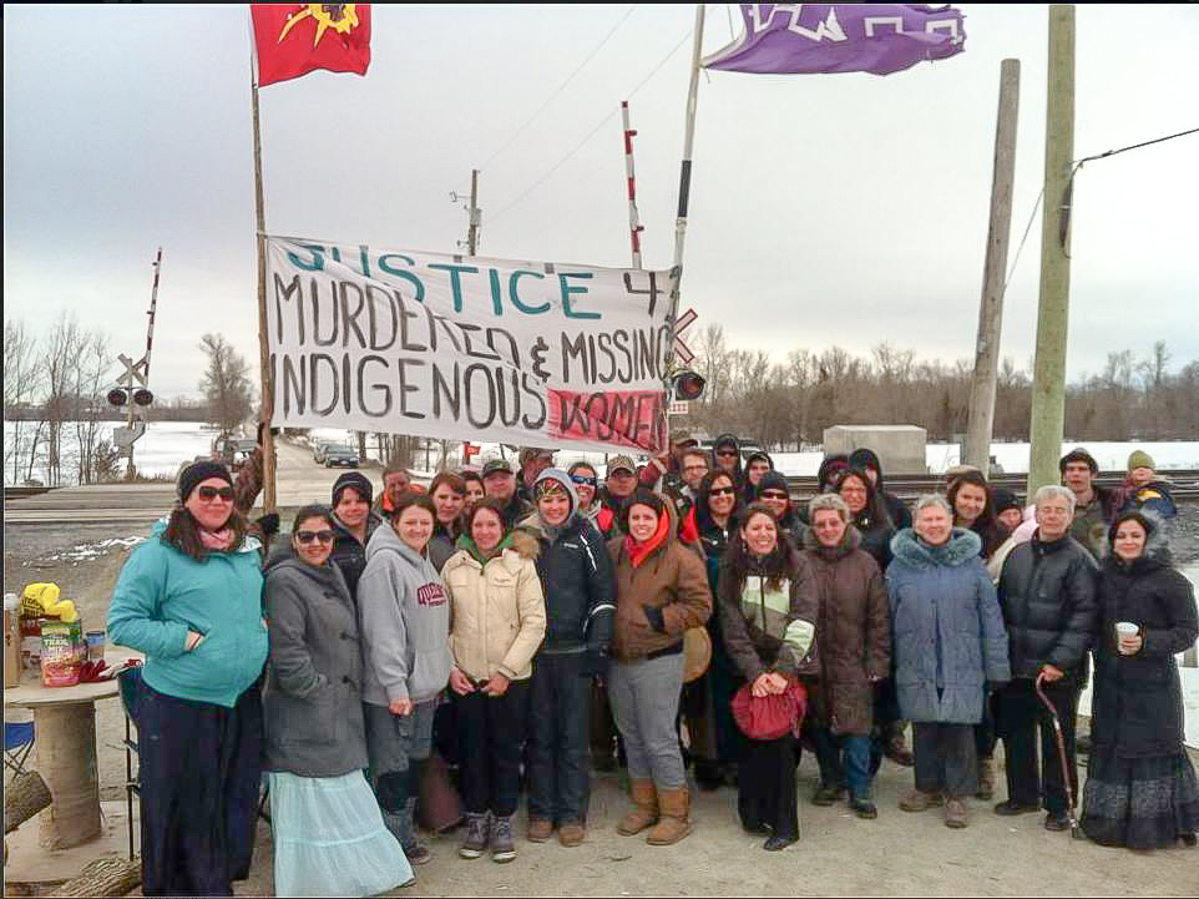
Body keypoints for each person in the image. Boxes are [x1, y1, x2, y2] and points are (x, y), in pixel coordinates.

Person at [107, 461, 269, 896]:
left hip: (239, 699)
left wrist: (259, 629)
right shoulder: (158, 553)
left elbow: (247, 605)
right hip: (181, 704)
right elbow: (122, 623)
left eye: (225, 493)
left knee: (231, 800)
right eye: (206, 492)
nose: (217, 501)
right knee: (187, 806)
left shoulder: (244, 548)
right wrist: (183, 638)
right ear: (185, 499)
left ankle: (217, 883)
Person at [263, 505, 414, 896]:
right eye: (307, 536)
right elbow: (287, 648)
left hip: (337, 709)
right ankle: (316, 882)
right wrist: (314, 689)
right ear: (294, 540)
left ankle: (345, 877)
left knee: (343, 797)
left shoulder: (329, 571)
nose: (316, 544)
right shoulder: (284, 581)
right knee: (317, 801)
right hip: (306, 712)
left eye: (324, 536)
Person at [887, 495, 1011, 829]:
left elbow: (990, 616)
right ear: (915, 525)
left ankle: (958, 795)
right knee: (924, 724)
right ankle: (926, 786)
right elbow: (886, 615)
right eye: (926, 520)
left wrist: (997, 665)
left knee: (959, 729)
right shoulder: (899, 566)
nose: (933, 525)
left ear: (950, 521)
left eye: (939, 519)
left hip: (962, 660)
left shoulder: (971, 565)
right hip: (917, 657)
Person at [1080, 510, 1199, 849]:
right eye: (1121, 536)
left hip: (1154, 685)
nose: (1128, 542)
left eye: (1135, 535)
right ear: (1112, 541)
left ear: (1148, 539)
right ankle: (1109, 826)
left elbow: (1188, 632)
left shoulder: (1170, 580)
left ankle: (1157, 828)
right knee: (1112, 745)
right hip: (1110, 682)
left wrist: (1148, 642)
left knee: (1152, 750)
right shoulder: (1103, 576)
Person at [442, 499, 546, 863]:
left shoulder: (521, 566)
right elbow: (442, 623)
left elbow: (534, 623)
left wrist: (506, 672)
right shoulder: (454, 567)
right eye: (478, 526)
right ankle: (476, 819)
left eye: (491, 525)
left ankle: (502, 820)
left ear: (503, 528)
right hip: (466, 678)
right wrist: (451, 668)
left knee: (504, 751)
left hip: (510, 679)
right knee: (471, 752)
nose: (485, 532)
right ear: (469, 529)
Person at [608, 490, 712, 846]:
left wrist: (660, 618)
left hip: (660, 657)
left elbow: (700, 607)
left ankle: (674, 811)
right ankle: (645, 803)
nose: (640, 524)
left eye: (648, 518)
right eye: (635, 517)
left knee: (659, 736)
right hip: (619, 659)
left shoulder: (681, 558)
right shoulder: (617, 551)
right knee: (631, 736)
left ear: (662, 520)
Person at [519, 470, 617, 847]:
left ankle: (572, 813)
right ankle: (542, 811)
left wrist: (598, 644)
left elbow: (603, 593)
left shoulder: (587, 536)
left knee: (573, 737)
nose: (555, 507)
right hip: (535, 655)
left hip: (575, 652)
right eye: (547, 500)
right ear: (537, 503)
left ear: (572, 501)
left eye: (561, 499)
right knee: (539, 737)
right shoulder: (523, 537)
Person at [994, 485, 1099, 831]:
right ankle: (1023, 795)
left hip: (1056, 671)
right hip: (1016, 663)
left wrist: (1060, 661)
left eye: (1060, 510)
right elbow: (1003, 606)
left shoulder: (1080, 560)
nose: (1052, 516)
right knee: (1016, 733)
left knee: (1056, 739)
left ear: (1069, 516)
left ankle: (1060, 804)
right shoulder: (1018, 554)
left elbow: (1085, 616)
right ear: (1035, 513)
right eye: (1046, 509)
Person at [358, 492, 454, 866]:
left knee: (413, 764)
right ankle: (388, 849)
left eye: (424, 522)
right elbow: (383, 631)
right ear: (394, 523)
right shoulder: (385, 564)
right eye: (410, 521)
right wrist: (396, 686)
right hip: (394, 694)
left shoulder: (423, 560)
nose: (418, 528)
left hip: (425, 689)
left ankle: (403, 838)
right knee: (392, 771)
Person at [719, 503, 818, 850]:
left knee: (779, 747)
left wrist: (781, 672)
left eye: (769, 528)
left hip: (785, 664)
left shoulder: (797, 564)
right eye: (755, 528)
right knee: (749, 742)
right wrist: (755, 673)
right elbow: (731, 626)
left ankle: (785, 825)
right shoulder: (731, 568)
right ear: (743, 534)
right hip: (749, 667)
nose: (763, 534)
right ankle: (753, 812)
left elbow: (805, 617)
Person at [802, 494, 890, 819]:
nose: (827, 529)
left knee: (857, 727)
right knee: (821, 723)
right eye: (820, 524)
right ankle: (830, 780)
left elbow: (879, 617)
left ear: (845, 523)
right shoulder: (802, 561)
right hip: (815, 659)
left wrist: (877, 660)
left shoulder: (865, 563)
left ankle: (860, 787)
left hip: (855, 659)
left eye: (833, 523)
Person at [946, 470, 1010, 801]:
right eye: (966, 496)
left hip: (980, 628)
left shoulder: (998, 536)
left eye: (978, 499)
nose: (971, 504)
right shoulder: (937, 527)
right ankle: (952, 767)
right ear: (954, 497)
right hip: (944, 627)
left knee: (982, 702)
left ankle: (984, 761)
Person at [686, 468, 744, 790]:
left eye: (727, 490)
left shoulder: (746, 527)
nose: (722, 497)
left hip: (741, 626)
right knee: (707, 700)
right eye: (715, 492)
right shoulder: (695, 533)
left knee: (738, 692)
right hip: (708, 626)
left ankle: (737, 759)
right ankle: (710, 759)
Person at [330, 471, 385, 603]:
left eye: (360, 501)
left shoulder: (385, 534)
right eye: (346, 502)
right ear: (336, 507)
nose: (353, 508)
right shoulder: (323, 539)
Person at [1059, 448, 1120, 558]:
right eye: (1070, 469)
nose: (1076, 474)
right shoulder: (1055, 507)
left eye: (1082, 469)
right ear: (1063, 476)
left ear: (1093, 475)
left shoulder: (1113, 503)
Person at [1117, 450, 1177, 520]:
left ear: (1153, 472)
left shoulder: (1151, 494)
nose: (1141, 469)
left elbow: (1153, 517)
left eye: (1146, 467)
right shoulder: (1130, 490)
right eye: (1136, 468)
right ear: (1130, 473)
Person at [755, 471, 805, 550]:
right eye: (768, 495)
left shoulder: (801, 532)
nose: (775, 500)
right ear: (758, 498)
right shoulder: (745, 525)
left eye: (781, 496)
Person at [427, 471, 467, 571]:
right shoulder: (421, 534)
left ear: (464, 502)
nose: (449, 504)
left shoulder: (470, 532)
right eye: (443, 497)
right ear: (431, 497)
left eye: (455, 498)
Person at [481, 457, 533, 527]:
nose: (498, 483)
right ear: (483, 484)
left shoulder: (529, 512)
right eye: (492, 479)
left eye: (504, 477)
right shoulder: (475, 513)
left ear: (514, 481)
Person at [596, 455, 639, 536]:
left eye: (628, 475)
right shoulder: (595, 507)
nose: (623, 479)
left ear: (636, 481)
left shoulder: (644, 506)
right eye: (617, 475)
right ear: (606, 480)